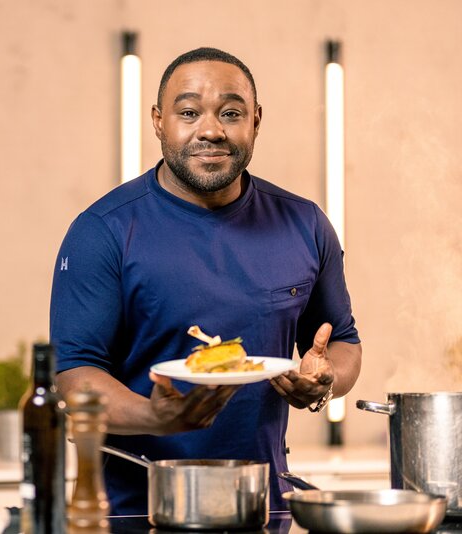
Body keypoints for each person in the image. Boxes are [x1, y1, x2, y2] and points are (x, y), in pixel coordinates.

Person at [49, 47, 362, 514]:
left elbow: (343, 342)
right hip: (137, 511)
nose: (211, 130)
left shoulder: (305, 224)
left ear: (256, 121)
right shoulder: (103, 231)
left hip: (262, 506)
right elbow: (74, 376)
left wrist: (327, 379)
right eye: (189, 112)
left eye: (231, 113)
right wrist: (154, 416)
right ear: (158, 121)